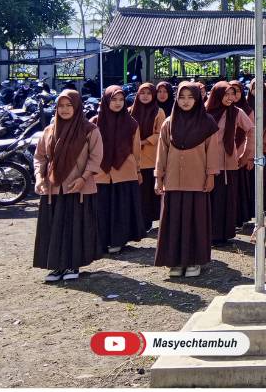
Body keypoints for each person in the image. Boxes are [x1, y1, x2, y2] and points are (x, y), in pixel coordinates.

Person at [33, 89, 104, 282]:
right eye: (60, 106)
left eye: (68, 105)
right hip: (53, 188)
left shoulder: (89, 130)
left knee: (75, 226)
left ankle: (73, 264)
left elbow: (96, 157)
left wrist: (83, 178)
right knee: (54, 227)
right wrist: (39, 178)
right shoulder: (49, 130)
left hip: (77, 187)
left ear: (77, 106)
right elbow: (39, 157)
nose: (64, 110)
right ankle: (57, 266)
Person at [154, 82, 221, 278]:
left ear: (198, 99)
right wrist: (159, 177)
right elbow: (162, 152)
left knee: (195, 221)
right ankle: (174, 261)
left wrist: (210, 176)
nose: (185, 101)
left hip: (197, 181)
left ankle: (193, 260)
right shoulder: (169, 123)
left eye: (190, 97)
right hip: (173, 181)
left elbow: (212, 152)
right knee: (173, 221)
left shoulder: (207, 123)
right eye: (182, 97)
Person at [92, 85, 146, 255]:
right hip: (101, 172)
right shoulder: (95, 122)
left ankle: (118, 240)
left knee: (120, 208)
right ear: (106, 100)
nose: (117, 103)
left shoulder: (131, 123)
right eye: (114, 99)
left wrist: (137, 171)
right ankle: (100, 240)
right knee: (102, 207)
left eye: (121, 100)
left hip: (124, 171)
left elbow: (136, 150)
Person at [205, 81, 253, 245]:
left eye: (232, 94)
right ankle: (208, 234)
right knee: (209, 200)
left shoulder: (236, 112)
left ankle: (223, 234)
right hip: (206, 164)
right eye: (226, 94)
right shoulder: (205, 112)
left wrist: (246, 154)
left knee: (225, 200)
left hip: (228, 164)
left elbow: (251, 130)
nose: (230, 98)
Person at [130, 82, 166, 226]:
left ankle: (147, 220)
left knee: (147, 193)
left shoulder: (159, 112)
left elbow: (160, 134)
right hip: (133, 158)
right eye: (142, 93)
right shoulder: (130, 111)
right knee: (137, 193)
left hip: (150, 158)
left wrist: (143, 142)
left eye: (148, 93)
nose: (145, 96)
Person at [229, 80, 256, 227]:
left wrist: (249, 156)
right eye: (230, 92)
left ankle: (241, 217)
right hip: (227, 156)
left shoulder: (247, 110)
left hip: (242, 154)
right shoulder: (221, 109)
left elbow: (251, 132)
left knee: (241, 188)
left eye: (237, 92)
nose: (234, 95)